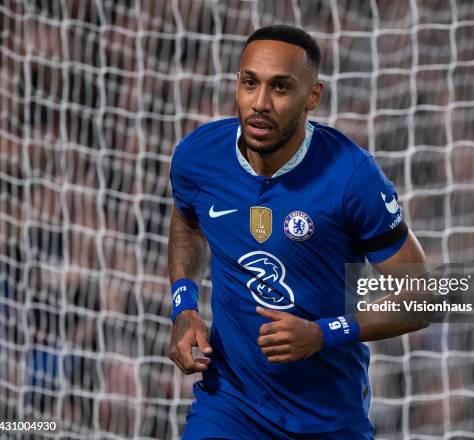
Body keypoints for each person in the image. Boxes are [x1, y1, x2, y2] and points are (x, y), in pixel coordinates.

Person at [168, 25, 429, 440]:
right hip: (230, 405)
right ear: (237, 82)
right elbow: (187, 222)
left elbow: (424, 299)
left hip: (326, 417)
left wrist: (323, 333)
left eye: (281, 88)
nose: (260, 103)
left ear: (313, 96)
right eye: (250, 83)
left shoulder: (352, 176)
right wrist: (183, 307)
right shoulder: (199, 156)